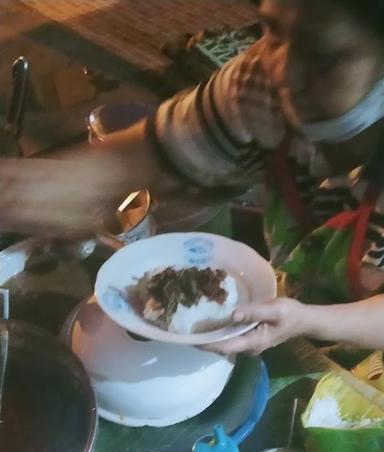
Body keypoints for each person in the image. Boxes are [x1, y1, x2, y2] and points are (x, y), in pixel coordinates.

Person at [3, 0, 384, 356]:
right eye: (274, 31)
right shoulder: (265, 79)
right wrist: (44, 189)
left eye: (323, 58)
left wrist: (311, 320)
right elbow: (160, 147)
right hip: (290, 305)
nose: (283, 73)